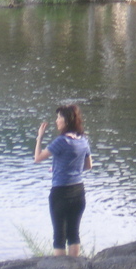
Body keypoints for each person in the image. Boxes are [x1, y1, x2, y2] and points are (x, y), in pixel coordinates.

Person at [34, 103, 92, 257]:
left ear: (66, 121)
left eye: (59, 118)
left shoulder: (61, 141)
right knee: (74, 233)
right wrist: (63, 168)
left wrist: (39, 137)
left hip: (60, 192)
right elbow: (88, 166)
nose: (56, 121)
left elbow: (38, 158)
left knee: (59, 236)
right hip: (79, 191)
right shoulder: (83, 140)